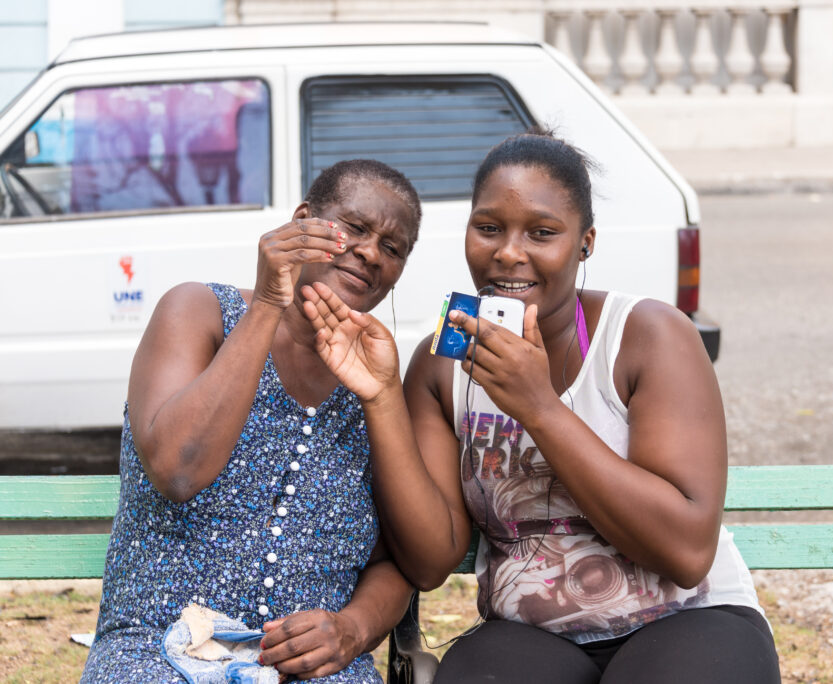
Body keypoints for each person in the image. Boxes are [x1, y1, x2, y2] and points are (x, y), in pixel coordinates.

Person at [301, 133, 781, 683]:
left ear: (585, 243)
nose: (508, 252)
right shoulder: (442, 365)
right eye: (488, 228)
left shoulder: (647, 336)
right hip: (529, 634)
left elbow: (686, 551)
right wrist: (384, 398)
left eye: (542, 233)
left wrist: (540, 408)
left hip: (688, 619)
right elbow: (433, 561)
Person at [80, 159, 422, 684]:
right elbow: (178, 470)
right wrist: (269, 301)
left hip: (312, 668)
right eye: (354, 228)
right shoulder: (198, 312)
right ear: (303, 221)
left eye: (393, 248)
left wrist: (351, 630)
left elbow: (399, 559)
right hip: (155, 652)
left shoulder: (372, 378)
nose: (371, 252)